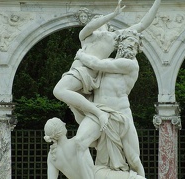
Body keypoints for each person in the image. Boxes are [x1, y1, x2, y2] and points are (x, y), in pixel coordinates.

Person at [53, 0, 161, 130]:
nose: (98, 21)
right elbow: (89, 27)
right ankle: (95, 127)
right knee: (80, 117)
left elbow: (143, 24)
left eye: (101, 20)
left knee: (59, 90)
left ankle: (99, 113)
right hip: (75, 71)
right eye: (96, 20)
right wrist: (112, 14)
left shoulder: (113, 38)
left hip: (86, 73)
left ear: (108, 26)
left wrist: (157, 2)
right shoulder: (85, 36)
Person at [74, 29, 145, 177]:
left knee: (134, 159)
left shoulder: (130, 65)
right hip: (98, 112)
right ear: (120, 43)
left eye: (136, 45)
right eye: (130, 41)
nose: (132, 46)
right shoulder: (110, 62)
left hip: (121, 116)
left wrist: (81, 54)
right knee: (80, 142)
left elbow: (96, 63)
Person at [44, 117, 146, 179]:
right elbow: (100, 142)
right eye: (63, 124)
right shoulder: (77, 142)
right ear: (62, 129)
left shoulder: (52, 156)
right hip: (97, 175)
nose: (65, 124)